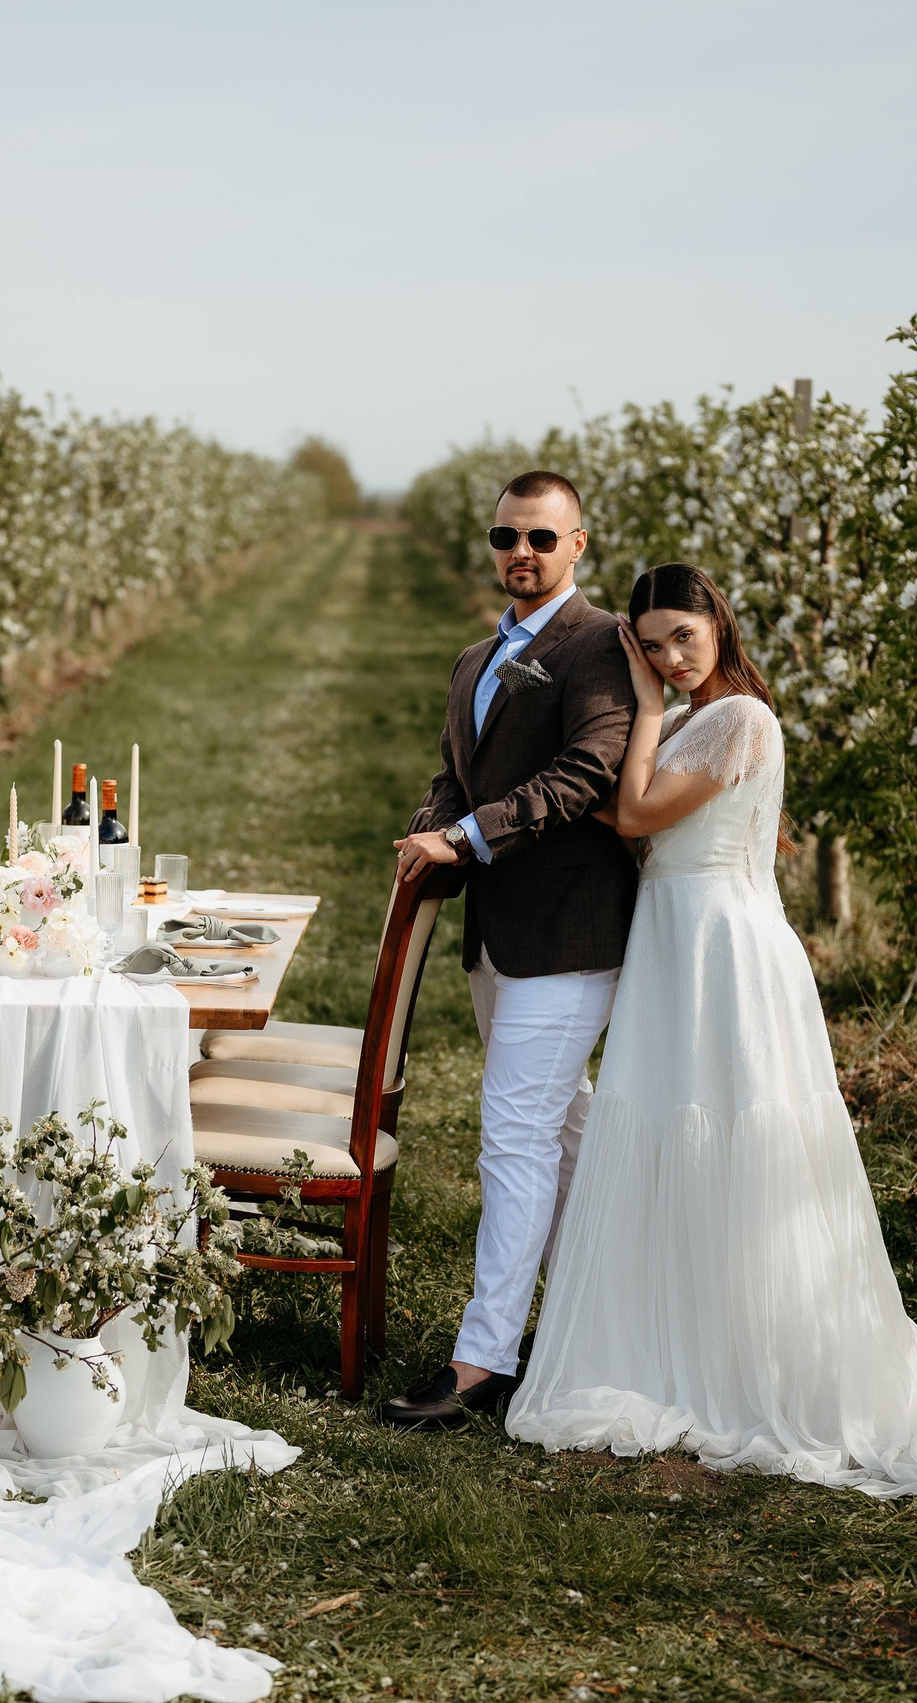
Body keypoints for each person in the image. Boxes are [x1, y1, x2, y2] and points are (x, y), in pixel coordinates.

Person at [505, 562, 917, 1498]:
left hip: (725, 948)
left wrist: (642, 706)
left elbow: (636, 811)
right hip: (672, 946)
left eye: (683, 637)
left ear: (718, 626)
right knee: (671, 1121)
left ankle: (760, 1350)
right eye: (649, 647)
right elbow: (622, 811)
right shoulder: (694, 724)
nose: (670, 658)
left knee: (736, 1122)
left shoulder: (739, 720)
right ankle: (685, 1336)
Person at [382, 470, 639, 1430]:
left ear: (578, 544)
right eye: (504, 537)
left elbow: (584, 775)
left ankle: (483, 1359)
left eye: (540, 537)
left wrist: (466, 837)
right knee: (563, 1129)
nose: (519, 553)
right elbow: (456, 771)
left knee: (515, 1138)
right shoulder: (475, 655)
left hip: (570, 935)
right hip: (501, 936)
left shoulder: (601, 647)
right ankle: (590, 1320)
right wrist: (430, 824)